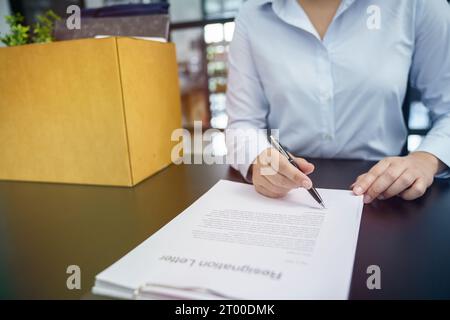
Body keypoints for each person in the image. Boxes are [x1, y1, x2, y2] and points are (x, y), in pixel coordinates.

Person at [226, 0, 450, 204]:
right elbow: (242, 124)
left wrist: (426, 159)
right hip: (289, 194)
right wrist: (258, 157)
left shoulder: (417, 5)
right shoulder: (253, 15)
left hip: (388, 194)